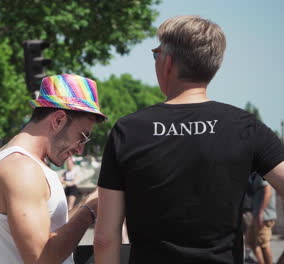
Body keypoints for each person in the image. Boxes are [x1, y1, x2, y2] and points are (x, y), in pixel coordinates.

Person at [94, 15, 284, 264]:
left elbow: (106, 238)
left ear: (168, 63)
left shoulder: (128, 130)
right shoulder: (245, 126)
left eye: (156, 54)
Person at [0, 74, 106, 263]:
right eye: (82, 136)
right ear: (58, 120)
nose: (80, 149)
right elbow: (41, 258)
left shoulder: (24, 163)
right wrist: (89, 210)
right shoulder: (22, 168)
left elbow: (52, 229)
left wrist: (90, 200)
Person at [248, 172, 277, 264]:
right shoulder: (256, 175)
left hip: (264, 216)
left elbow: (268, 190)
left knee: (264, 244)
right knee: (251, 241)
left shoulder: (262, 173)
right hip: (256, 215)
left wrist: (261, 213)